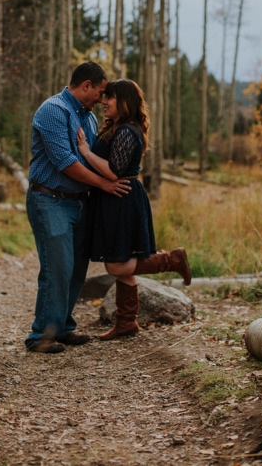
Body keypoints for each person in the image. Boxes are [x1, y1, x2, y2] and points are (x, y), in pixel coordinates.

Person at [25, 62, 133, 354]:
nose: (101, 98)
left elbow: (91, 158)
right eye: (99, 92)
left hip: (79, 203)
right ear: (86, 85)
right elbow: (67, 163)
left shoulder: (89, 120)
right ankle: (41, 335)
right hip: (50, 199)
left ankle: (62, 327)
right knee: (57, 268)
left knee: (75, 269)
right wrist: (105, 184)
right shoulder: (53, 110)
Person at [76, 78, 192, 341]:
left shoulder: (128, 131)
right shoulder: (117, 127)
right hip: (112, 198)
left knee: (117, 265)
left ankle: (171, 260)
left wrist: (84, 151)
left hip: (122, 198)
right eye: (104, 97)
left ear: (125, 100)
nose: (104, 102)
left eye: (110, 97)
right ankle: (126, 322)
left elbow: (114, 171)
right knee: (120, 260)